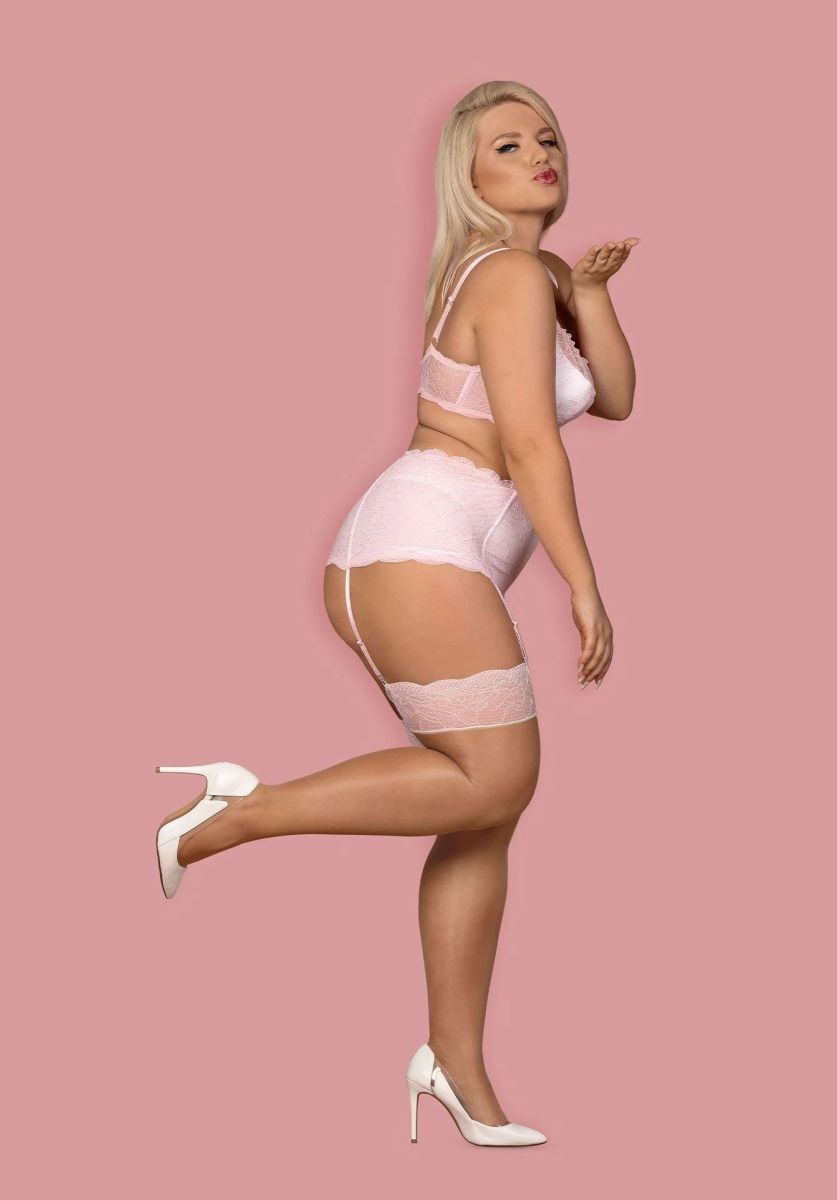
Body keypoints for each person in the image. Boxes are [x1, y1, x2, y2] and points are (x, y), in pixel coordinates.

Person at [154, 80, 638, 1148]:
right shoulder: (504, 273)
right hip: (418, 546)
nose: (540, 152)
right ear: (468, 173)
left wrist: (594, 294)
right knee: (497, 778)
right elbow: (529, 444)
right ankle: (242, 810)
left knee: (483, 813)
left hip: (416, 553)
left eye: (548, 136)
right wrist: (583, 579)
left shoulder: (540, 276)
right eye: (507, 144)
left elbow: (613, 397)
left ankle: (452, 1067)